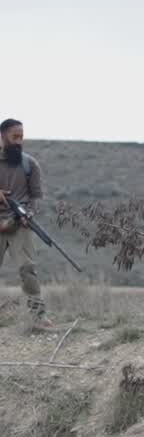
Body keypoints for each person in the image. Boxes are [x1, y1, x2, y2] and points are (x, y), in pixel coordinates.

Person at [0, 118, 51, 330]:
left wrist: (26, 214)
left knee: (27, 270)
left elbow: (36, 197)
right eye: (15, 137)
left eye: (22, 137)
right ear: (3, 137)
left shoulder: (30, 164)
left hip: (19, 225)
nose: (19, 141)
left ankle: (38, 316)